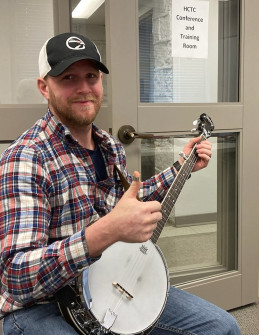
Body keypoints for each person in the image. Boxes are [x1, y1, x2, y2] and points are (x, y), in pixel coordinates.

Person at [0, 33, 241, 335]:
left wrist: (183, 165)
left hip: (107, 283)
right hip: (42, 305)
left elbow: (128, 205)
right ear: (44, 87)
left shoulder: (108, 147)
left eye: (91, 76)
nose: (84, 88)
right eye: (68, 78)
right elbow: (15, 276)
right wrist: (105, 232)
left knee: (222, 328)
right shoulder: (26, 158)